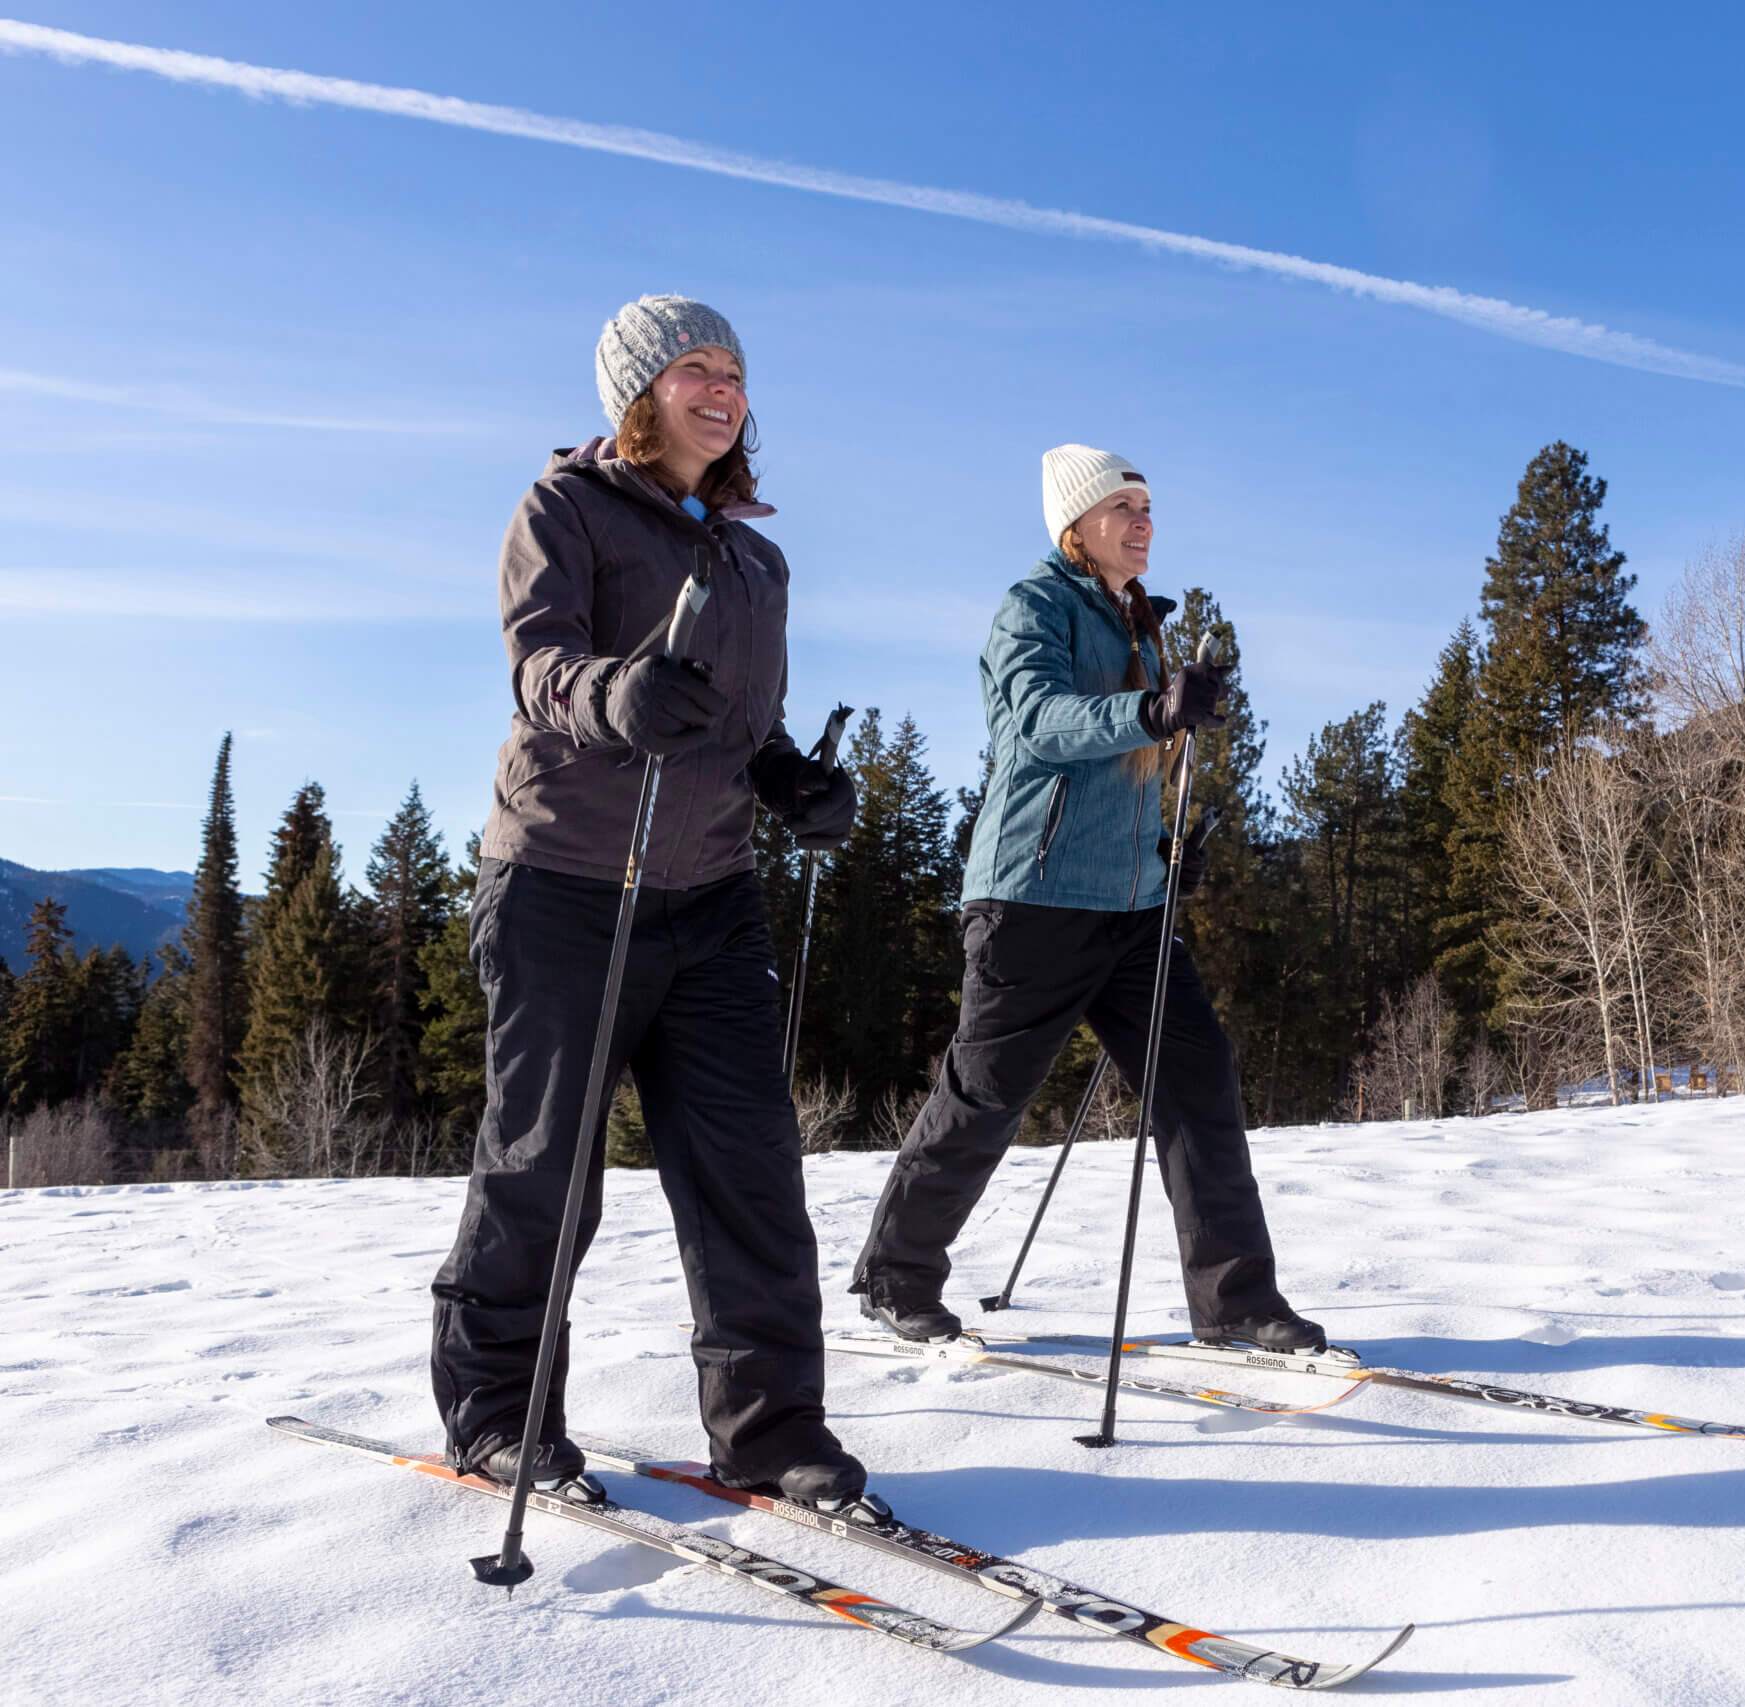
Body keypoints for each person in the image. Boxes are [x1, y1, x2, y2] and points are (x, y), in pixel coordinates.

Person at [429, 296, 866, 1509]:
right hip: (567, 880)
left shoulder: (755, 561)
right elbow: (540, 662)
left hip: (712, 895)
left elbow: (744, 724)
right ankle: (498, 1417)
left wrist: (793, 785)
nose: (722, 390)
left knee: (750, 1174)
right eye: (693, 370)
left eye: (733, 370)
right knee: (544, 1166)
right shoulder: (563, 508)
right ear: (639, 392)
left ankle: (772, 1433)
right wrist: (614, 695)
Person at [849, 444, 1323, 1354]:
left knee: (1199, 1081)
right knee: (986, 1093)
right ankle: (895, 1275)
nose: (1143, 521)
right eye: (1123, 507)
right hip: (1033, 896)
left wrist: (1163, 845)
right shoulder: (1034, 608)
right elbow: (1037, 723)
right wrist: (1150, 711)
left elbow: (1139, 768)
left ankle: (1236, 1302)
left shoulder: (1141, 621)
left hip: (1134, 909)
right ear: (1077, 524)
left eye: (1148, 506)